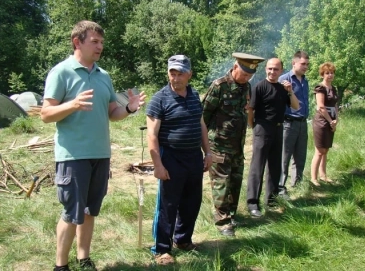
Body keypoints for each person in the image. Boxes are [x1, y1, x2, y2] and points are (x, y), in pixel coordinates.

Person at [41, 20, 146, 271]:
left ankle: (84, 259)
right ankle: (61, 266)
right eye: (94, 42)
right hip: (73, 155)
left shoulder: (103, 76)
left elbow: (112, 112)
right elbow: (46, 114)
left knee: (90, 210)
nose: (100, 47)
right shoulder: (61, 72)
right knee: (71, 212)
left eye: (101, 42)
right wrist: (73, 105)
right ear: (77, 42)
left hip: (100, 153)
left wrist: (129, 109)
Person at [146, 55, 212, 265]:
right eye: (172, 73)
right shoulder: (159, 99)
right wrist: (158, 165)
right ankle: (162, 249)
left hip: (193, 156)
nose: (176, 78)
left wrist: (208, 152)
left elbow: (201, 125)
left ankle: (183, 240)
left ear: (189, 74)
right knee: (168, 205)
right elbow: (152, 135)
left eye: (180, 73)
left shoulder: (193, 95)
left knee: (192, 201)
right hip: (171, 156)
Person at [202, 52, 266, 237]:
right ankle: (223, 222)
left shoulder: (247, 87)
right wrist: (204, 148)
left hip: (237, 146)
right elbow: (203, 117)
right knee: (221, 184)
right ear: (235, 66)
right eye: (244, 74)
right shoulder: (219, 86)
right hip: (218, 146)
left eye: (249, 75)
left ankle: (231, 214)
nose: (246, 78)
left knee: (235, 183)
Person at [246, 58, 299, 218]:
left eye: (276, 69)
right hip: (262, 128)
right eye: (269, 69)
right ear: (265, 70)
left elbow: (296, 107)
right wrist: (253, 126)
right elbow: (251, 109)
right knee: (257, 166)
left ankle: (271, 199)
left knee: (275, 166)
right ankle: (253, 203)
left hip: (278, 128)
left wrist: (290, 91)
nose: (272, 72)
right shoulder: (259, 87)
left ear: (281, 71)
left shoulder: (284, 88)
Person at [278, 51, 310, 196]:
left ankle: (297, 185)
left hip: (303, 122)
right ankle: (280, 187)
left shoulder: (305, 80)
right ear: (294, 63)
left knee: (300, 156)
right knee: (285, 156)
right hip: (288, 123)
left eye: (307, 64)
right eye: (303, 64)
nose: (306, 67)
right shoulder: (284, 80)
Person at [310, 62, 339, 186]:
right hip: (322, 121)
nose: (330, 75)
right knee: (319, 150)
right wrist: (330, 121)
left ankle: (323, 175)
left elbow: (336, 105)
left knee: (326, 149)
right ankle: (313, 178)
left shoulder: (334, 88)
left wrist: (336, 119)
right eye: (327, 73)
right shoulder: (320, 88)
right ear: (322, 74)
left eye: (332, 72)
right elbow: (321, 107)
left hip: (331, 120)